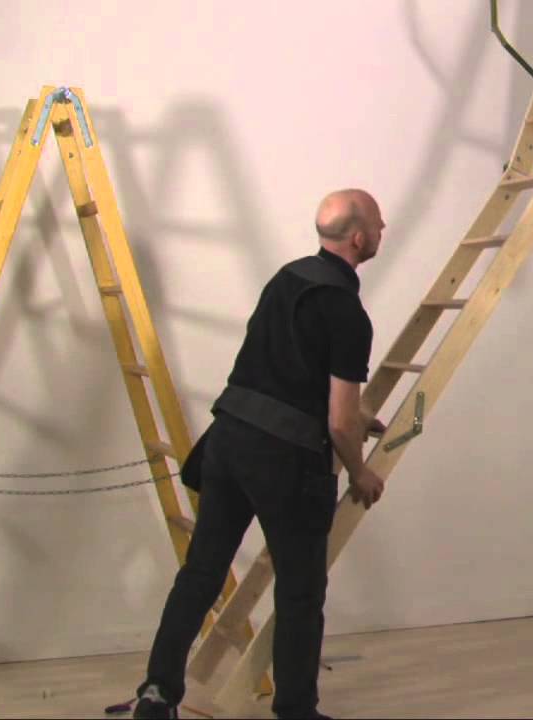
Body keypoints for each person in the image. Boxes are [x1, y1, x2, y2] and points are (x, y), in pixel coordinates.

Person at [132, 189, 390, 719]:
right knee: (300, 592)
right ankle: (296, 711)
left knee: (201, 573)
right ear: (360, 237)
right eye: (380, 225)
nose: (383, 232)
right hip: (286, 460)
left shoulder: (287, 278)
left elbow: (289, 369)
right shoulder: (346, 311)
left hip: (228, 441)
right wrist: (360, 472)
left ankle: (156, 694)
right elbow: (339, 422)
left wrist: (357, 415)